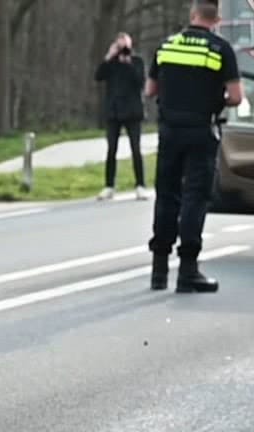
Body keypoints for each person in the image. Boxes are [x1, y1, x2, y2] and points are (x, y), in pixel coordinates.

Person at [146, 0, 243, 294]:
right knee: (195, 198)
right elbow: (236, 96)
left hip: (170, 132)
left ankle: (159, 270)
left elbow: (150, 91)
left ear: (193, 13)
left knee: (167, 195)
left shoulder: (166, 46)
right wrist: (213, 98)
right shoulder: (220, 49)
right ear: (218, 18)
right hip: (201, 130)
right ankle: (188, 271)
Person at [95, 33, 148, 201]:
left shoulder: (137, 61)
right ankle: (109, 185)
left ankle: (140, 185)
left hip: (132, 112)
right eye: (120, 47)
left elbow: (140, 82)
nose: (122, 51)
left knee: (136, 149)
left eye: (125, 46)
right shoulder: (111, 64)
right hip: (114, 111)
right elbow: (98, 76)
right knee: (111, 150)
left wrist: (129, 64)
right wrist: (108, 57)